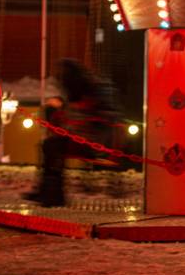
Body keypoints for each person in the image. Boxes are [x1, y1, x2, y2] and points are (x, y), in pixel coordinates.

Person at [23, 59, 119, 207]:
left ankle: (52, 193)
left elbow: (103, 120)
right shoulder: (79, 92)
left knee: (52, 146)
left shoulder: (94, 93)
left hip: (92, 142)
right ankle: (48, 190)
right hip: (77, 138)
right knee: (49, 145)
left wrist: (81, 123)